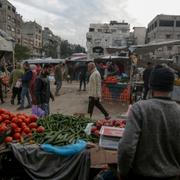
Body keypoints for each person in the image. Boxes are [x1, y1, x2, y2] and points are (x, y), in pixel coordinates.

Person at [118, 66, 180, 180]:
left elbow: (126, 147)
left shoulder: (140, 108)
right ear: (171, 87)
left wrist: (123, 171)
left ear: (150, 85)